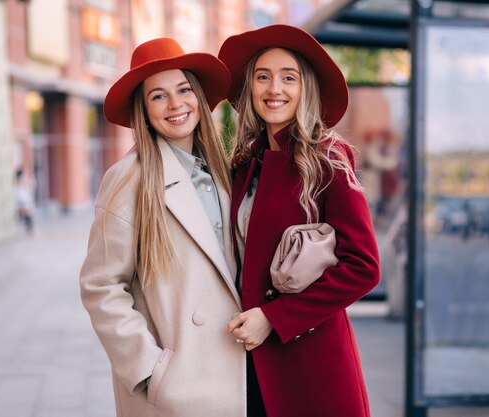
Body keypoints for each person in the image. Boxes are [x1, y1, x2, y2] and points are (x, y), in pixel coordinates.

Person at [218, 24, 381, 417]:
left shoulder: (329, 159)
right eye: (263, 77)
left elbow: (364, 268)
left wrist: (275, 318)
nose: (274, 89)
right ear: (250, 88)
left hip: (311, 360)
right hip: (249, 361)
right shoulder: (245, 163)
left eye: (288, 78)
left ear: (305, 87)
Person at [79, 38, 245, 417]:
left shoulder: (221, 170)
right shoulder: (128, 179)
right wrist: (150, 372)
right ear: (143, 108)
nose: (175, 104)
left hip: (234, 368)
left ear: (199, 98)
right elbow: (100, 285)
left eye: (184, 89)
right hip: (175, 387)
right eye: (158, 96)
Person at [15, 167, 35, 233]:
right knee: (26, 214)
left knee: (27, 214)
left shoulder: (23, 180)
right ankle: (28, 227)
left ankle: (29, 227)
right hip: (22, 199)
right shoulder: (21, 180)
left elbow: (30, 186)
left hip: (24, 199)